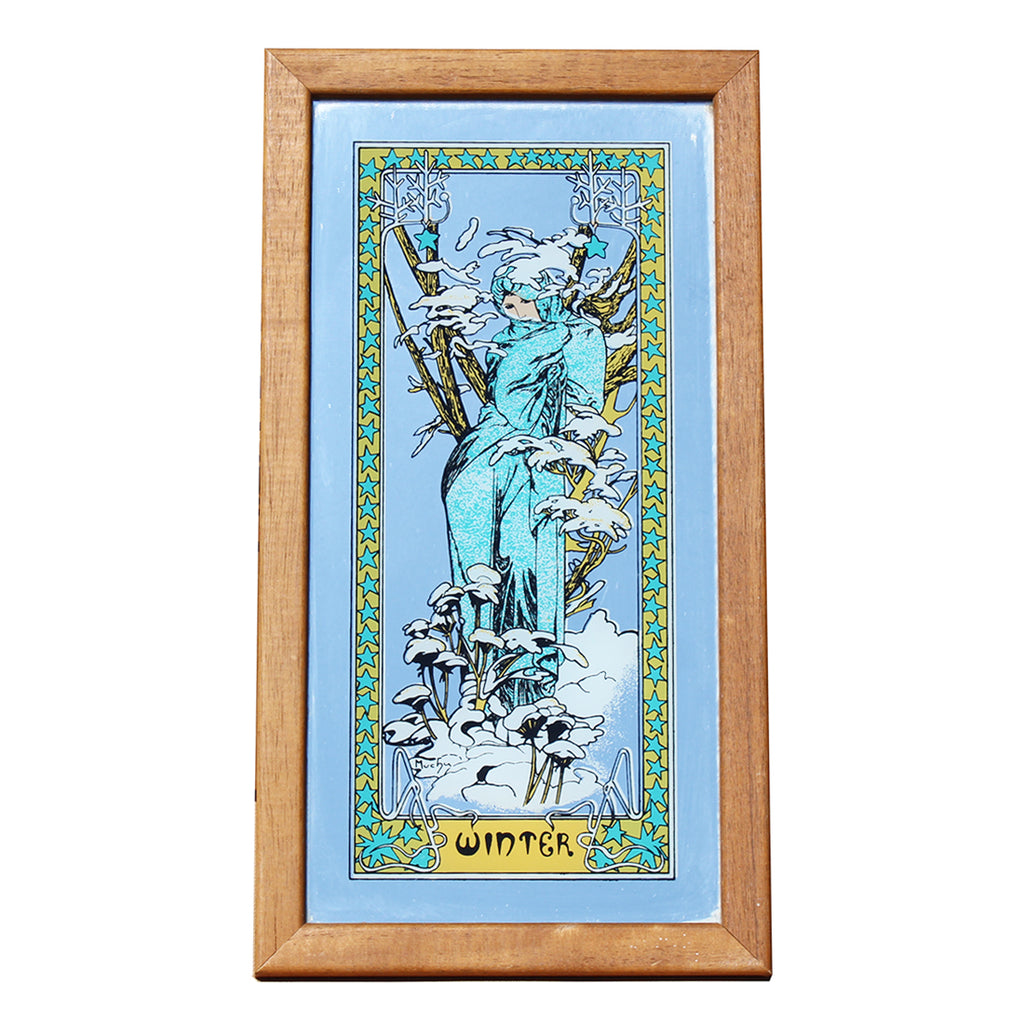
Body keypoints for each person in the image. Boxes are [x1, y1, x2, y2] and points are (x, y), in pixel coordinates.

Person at [441, 266, 605, 705]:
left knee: (524, 562)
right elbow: (498, 398)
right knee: (478, 561)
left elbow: (585, 402)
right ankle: (482, 669)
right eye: (506, 304)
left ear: (544, 294)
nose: (512, 311)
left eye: (521, 300)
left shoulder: (576, 336)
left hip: (532, 463)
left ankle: (529, 679)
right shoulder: (505, 342)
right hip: (484, 452)